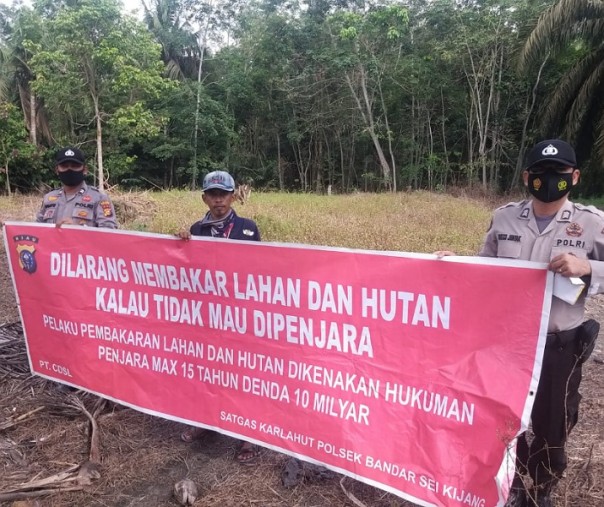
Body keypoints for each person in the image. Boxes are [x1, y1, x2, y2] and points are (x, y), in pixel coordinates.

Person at [437, 139, 603, 507]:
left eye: (558, 173)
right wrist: (452, 266)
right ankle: (510, 481)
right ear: (527, 176)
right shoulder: (505, 217)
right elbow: (487, 270)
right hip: (508, 340)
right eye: (540, 173)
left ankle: (541, 489)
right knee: (503, 415)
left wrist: (588, 266)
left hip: (558, 343)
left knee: (553, 421)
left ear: (574, 176)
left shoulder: (591, 223)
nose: (548, 180)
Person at [177, 169, 261, 464]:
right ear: (204, 197)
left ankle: (246, 435)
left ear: (233, 195)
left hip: (237, 317)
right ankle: (205, 421)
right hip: (206, 317)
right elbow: (186, 272)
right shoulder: (196, 230)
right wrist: (179, 245)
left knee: (241, 375)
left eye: (223, 194)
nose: (218, 200)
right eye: (212, 194)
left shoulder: (248, 229)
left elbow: (261, 274)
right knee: (206, 370)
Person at [36, 146, 117, 228]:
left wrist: (77, 230)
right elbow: (37, 229)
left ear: (85, 169)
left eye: (75, 166)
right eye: (64, 166)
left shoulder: (99, 198)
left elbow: (109, 232)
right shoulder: (48, 198)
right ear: (57, 170)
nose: (69, 170)